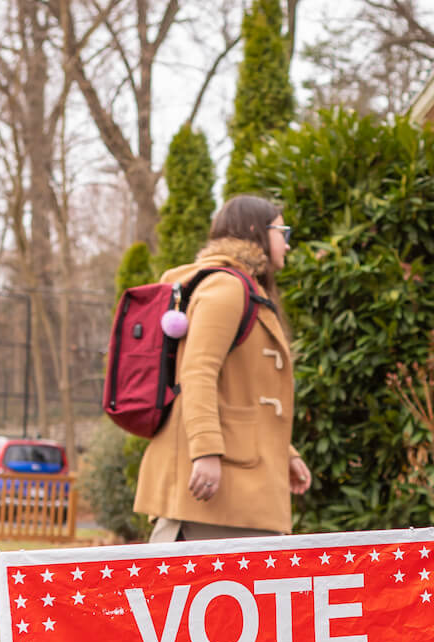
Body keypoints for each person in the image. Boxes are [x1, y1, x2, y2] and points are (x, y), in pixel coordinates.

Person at [134, 194, 312, 541]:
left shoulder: (241, 287)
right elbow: (197, 371)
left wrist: (284, 454)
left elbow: (245, 389)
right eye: (281, 231)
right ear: (254, 231)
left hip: (237, 484)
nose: (287, 245)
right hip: (215, 489)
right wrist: (205, 452)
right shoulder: (228, 287)